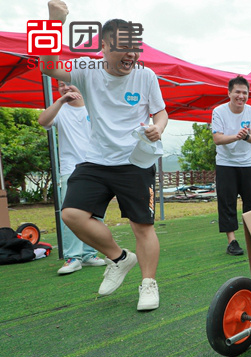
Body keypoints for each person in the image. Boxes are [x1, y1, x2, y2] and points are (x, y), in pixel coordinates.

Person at [40, 0, 168, 311]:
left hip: (135, 161)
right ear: (104, 46)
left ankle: (148, 284)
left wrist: (158, 128)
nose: (131, 55)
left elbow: (161, 112)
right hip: (95, 160)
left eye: (134, 48)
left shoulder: (146, 76)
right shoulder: (88, 70)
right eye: (123, 47)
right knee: (71, 214)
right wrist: (53, 21)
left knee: (142, 226)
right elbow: (48, 66)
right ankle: (119, 258)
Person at [38, 81, 106, 275]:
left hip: (97, 166)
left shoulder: (95, 107)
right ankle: (72, 257)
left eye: (70, 84)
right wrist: (60, 101)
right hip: (71, 169)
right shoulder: (59, 110)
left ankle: (89, 254)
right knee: (71, 213)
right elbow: (43, 121)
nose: (66, 88)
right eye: (61, 85)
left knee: (95, 214)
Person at [211, 75, 251, 256]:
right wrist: (237, 136)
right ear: (229, 93)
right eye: (237, 92)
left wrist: (246, 136)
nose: (241, 96)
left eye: (245, 93)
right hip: (225, 163)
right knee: (227, 202)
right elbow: (217, 139)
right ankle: (232, 241)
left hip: (247, 163)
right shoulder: (219, 111)